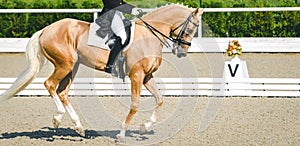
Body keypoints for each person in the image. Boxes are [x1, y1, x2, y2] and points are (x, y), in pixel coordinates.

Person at [96, 0, 141, 74]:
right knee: (122, 37)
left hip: (118, 14)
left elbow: (120, 2)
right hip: (109, 16)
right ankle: (110, 65)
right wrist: (130, 10)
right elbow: (112, 3)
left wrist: (133, 8)